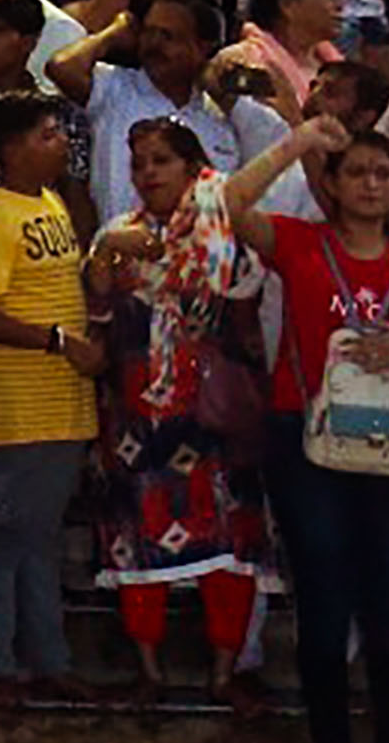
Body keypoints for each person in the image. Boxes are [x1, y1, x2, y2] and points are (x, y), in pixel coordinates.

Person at [222, 116, 389, 743]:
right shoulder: (302, 243)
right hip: (307, 444)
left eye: (383, 173)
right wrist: (300, 144)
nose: (370, 184)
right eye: (357, 171)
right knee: (325, 609)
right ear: (332, 186)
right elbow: (228, 204)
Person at [80, 123, 269, 703]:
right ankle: (149, 673)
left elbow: (244, 316)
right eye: (138, 164)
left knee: (227, 550)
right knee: (136, 541)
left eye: (162, 161)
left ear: (193, 169)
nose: (149, 173)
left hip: (211, 413)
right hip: (137, 416)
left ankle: (223, 674)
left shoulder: (225, 229)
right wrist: (110, 257)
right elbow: (99, 319)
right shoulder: (117, 235)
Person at [0, 92, 101, 712]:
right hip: (15, 407)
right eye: (46, 134)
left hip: (62, 404)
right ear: (12, 149)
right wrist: (57, 341)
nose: (60, 142)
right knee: (1, 539)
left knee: (40, 538)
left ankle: (49, 660)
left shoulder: (51, 201)